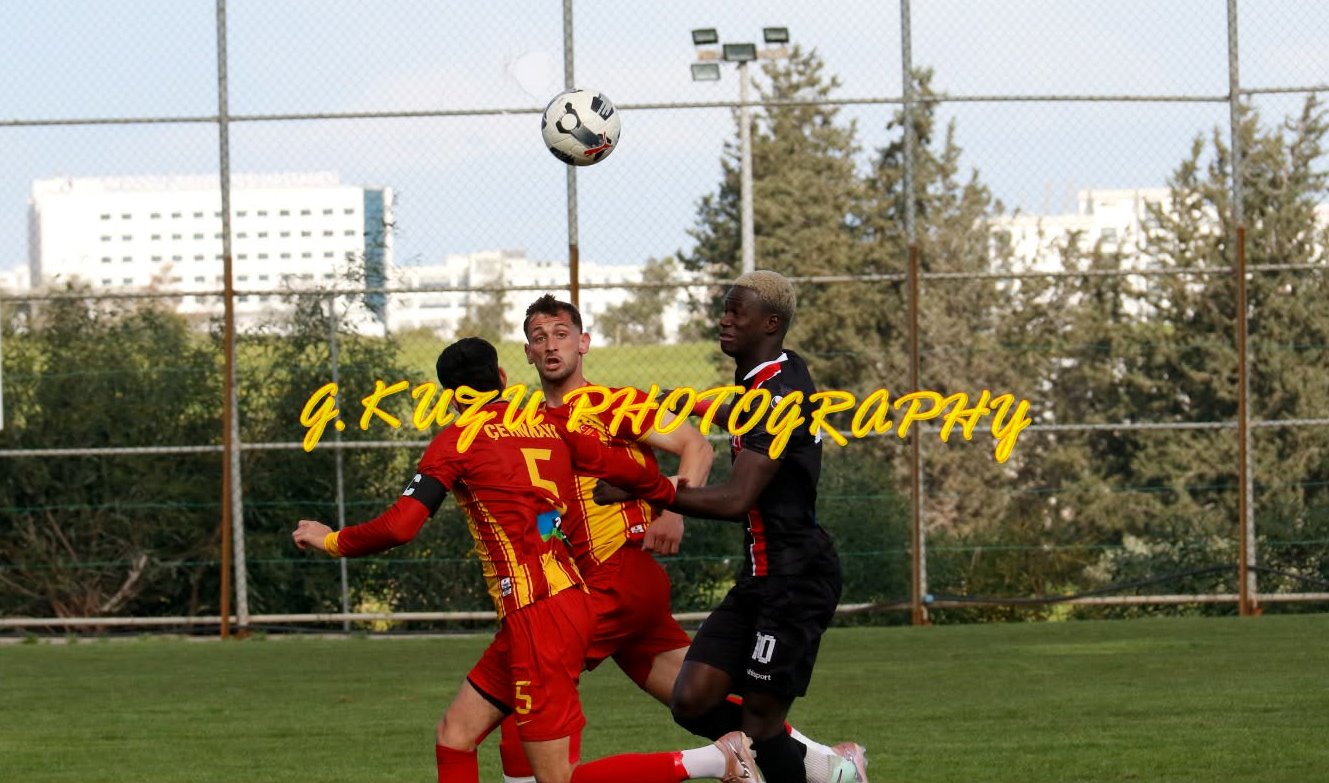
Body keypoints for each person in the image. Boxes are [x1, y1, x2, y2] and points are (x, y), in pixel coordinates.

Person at [291, 337, 766, 783]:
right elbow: (612, 475)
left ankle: (716, 758)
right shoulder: (546, 426)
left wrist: (331, 540)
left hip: (541, 614)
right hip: (553, 604)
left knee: (558, 777)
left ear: (450, 397)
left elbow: (400, 526)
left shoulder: (455, 441)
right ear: (501, 377)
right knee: (455, 734)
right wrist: (663, 501)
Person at [513, 293, 866, 783]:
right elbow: (550, 509)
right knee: (696, 701)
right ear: (527, 352)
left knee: (528, 675)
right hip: (600, 584)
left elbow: (695, 446)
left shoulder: (611, 403)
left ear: (584, 343)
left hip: (622, 579)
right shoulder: (531, 425)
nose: (551, 345)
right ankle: (828, 766)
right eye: (539, 338)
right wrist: (543, 541)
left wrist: (669, 512)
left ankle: (717, 763)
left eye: (561, 334)